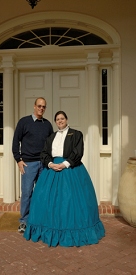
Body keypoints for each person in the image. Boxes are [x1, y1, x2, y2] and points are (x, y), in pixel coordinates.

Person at [23, 111, 105, 247]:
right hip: (52, 169)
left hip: (71, 169)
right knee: (46, 199)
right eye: (57, 119)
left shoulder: (76, 134)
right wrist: (50, 164)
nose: (60, 121)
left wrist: (65, 164)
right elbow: (44, 153)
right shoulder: (51, 137)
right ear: (55, 122)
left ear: (66, 119)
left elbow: (78, 152)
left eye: (62, 118)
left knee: (70, 201)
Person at [12, 97, 53, 233]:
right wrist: (18, 160)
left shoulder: (47, 125)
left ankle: (39, 219)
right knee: (27, 193)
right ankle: (24, 221)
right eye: (39, 106)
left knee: (42, 193)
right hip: (28, 164)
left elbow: (51, 144)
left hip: (43, 164)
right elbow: (15, 141)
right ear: (34, 106)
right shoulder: (24, 122)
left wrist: (50, 162)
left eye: (44, 107)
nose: (41, 108)